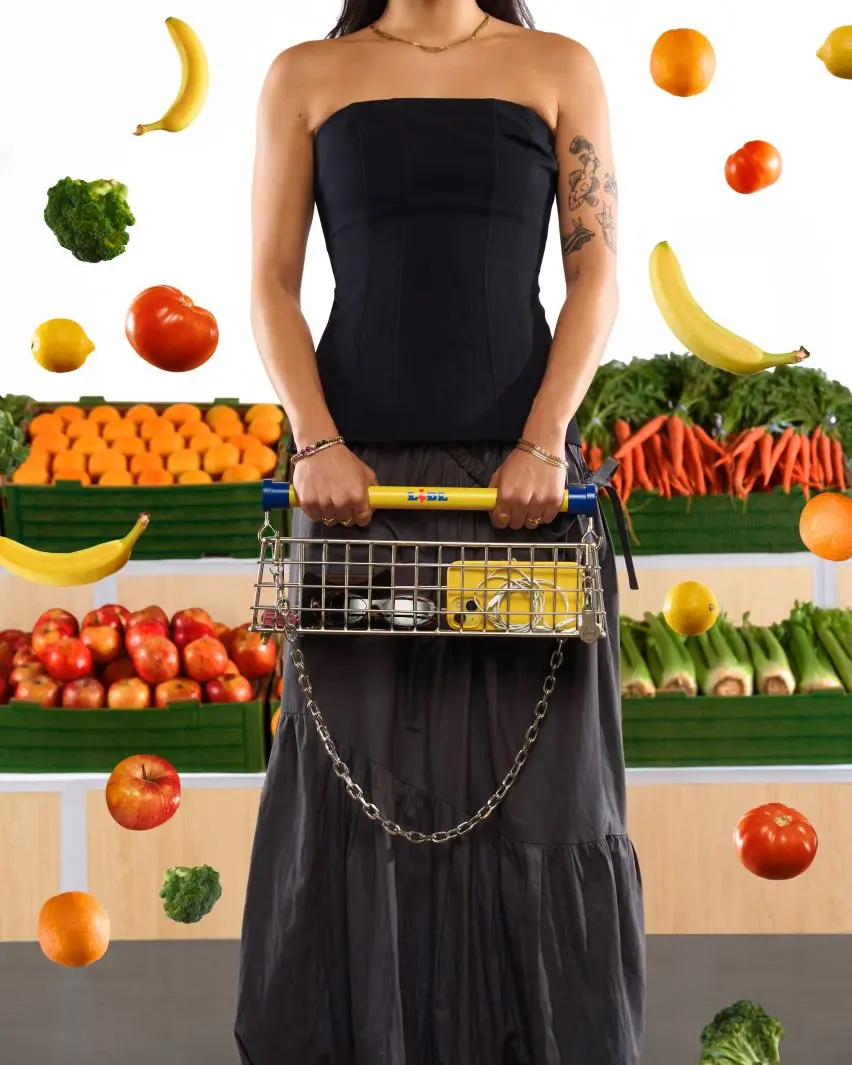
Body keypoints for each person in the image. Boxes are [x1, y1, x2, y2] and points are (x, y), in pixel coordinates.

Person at [235, 2, 644, 1063]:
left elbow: (597, 271)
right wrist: (317, 444)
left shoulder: (559, 65)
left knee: (543, 795)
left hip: (523, 497)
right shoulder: (304, 75)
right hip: (356, 495)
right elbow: (271, 285)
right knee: (358, 791)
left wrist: (546, 441)